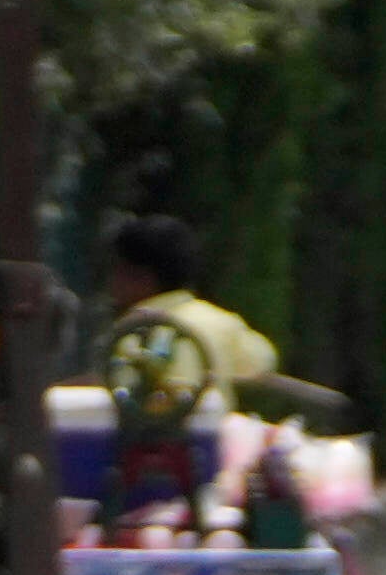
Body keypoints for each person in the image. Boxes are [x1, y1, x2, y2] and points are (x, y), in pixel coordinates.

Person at [88, 212, 284, 538]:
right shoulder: (220, 322)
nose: (111, 284)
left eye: (117, 272)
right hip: (211, 475)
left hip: (133, 483)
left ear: (141, 278)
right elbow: (262, 361)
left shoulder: (128, 336)